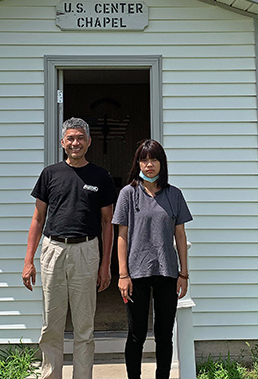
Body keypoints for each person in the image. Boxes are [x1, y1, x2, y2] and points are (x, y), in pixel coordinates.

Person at [22, 117, 117, 379]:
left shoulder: (100, 176)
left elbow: (107, 222)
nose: (75, 143)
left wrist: (105, 265)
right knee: (52, 323)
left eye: (80, 138)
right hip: (53, 250)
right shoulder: (50, 174)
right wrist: (29, 260)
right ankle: (51, 375)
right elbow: (37, 219)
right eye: (70, 138)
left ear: (88, 142)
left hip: (87, 251)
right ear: (63, 142)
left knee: (84, 326)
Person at [112, 139, 193, 379]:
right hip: (135, 274)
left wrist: (184, 273)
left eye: (154, 159)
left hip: (167, 273)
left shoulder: (174, 195)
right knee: (136, 334)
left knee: (164, 334)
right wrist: (123, 275)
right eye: (144, 160)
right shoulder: (128, 194)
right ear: (138, 163)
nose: (149, 165)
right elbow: (122, 236)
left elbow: (180, 235)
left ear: (161, 163)